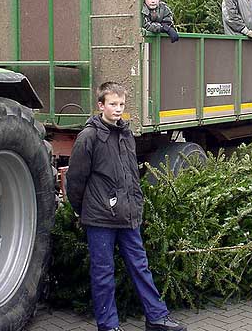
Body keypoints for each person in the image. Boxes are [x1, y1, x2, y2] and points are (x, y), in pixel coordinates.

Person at [66, 82, 187, 331]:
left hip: (128, 215)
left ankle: (156, 317)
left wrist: (137, 205)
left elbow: (132, 175)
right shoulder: (88, 137)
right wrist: (83, 211)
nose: (118, 109)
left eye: (121, 104)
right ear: (101, 105)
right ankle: (108, 325)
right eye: (112, 104)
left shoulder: (126, 134)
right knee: (103, 274)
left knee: (140, 266)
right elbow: (75, 180)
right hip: (100, 219)